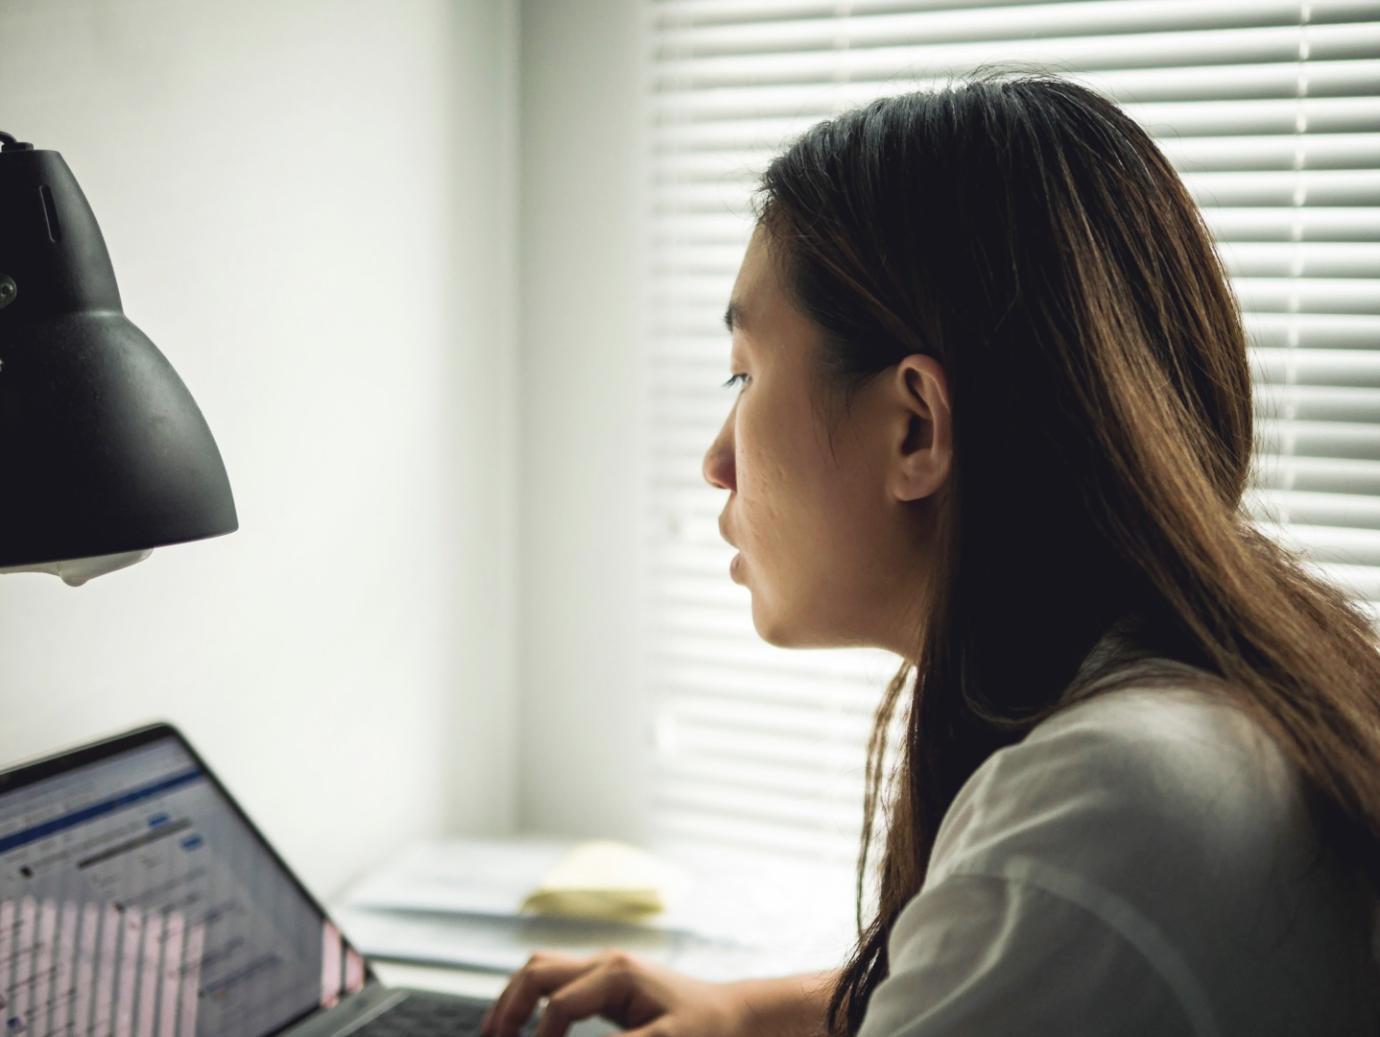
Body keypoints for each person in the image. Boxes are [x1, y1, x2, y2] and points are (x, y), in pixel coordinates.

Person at [480, 65, 1380, 1037]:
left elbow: (1051, 913)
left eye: (745, 374)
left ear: (915, 427)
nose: (716, 461)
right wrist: (742, 1011)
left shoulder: (1098, 809)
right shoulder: (1209, 706)